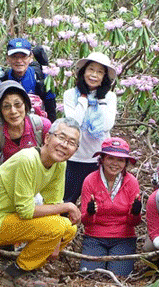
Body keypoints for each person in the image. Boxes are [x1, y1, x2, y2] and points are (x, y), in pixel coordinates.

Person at [0, 117, 81, 286]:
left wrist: (55, 242)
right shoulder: (28, 159)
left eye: (72, 142)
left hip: (13, 222)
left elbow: (53, 203)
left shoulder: (59, 164)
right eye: (61, 137)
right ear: (47, 138)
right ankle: (15, 273)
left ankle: (30, 270)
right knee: (58, 225)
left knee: (68, 228)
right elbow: (26, 211)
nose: (65, 145)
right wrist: (68, 206)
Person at [79, 137, 141, 276]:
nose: (115, 164)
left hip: (124, 238)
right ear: (102, 159)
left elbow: (134, 223)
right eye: (110, 158)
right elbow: (85, 221)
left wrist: (135, 213)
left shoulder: (131, 182)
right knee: (89, 276)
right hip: (94, 237)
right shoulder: (90, 180)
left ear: (126, 163)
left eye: (120, 160)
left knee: (120, 276)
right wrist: (90, 213)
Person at [62, 52, 117, 204]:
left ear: (104, 77)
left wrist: (100, 99)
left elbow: (106, 125)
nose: (94, 75)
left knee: (96, 203)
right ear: (83, 72)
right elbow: (74, 123)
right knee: (67, 200)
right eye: (91, 69)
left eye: (100, 72)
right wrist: (84, 99)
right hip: (74, 157)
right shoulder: (70, 95)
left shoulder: (109, 97)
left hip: (98, 159)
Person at [0, 81, 52, 181]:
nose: (13, 111)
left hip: (38, 182)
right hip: (9, 182)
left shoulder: (42, 126)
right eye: (6, 106)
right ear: (0, 110)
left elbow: (52, 164)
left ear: (25, 105)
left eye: (17, 104)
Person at [0, 38, 57, 121]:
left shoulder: (41, 76)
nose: (19, 61)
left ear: (31, 57)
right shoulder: (3, 79)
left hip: (37, 126)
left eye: (23, 56)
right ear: (7, 58)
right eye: (14, 57)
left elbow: (51, 108)